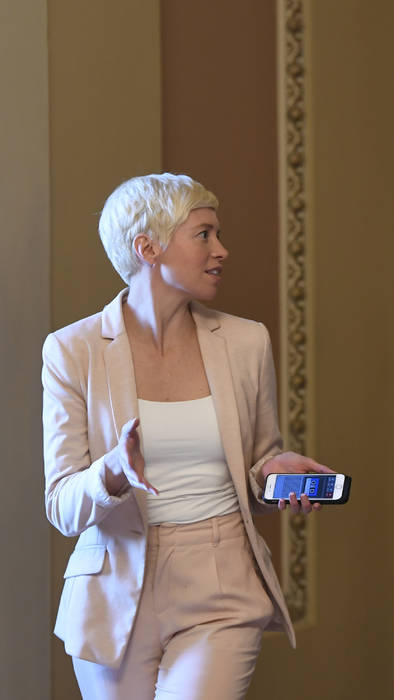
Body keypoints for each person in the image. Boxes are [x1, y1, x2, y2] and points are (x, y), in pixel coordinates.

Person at [43, 173, 332, 698]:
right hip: (113, 593)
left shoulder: (246, 342)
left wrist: (273, 475)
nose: (221, 250)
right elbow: (62, 506)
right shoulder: (72, 350)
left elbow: (255, 471)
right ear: (148, 247)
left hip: (221, 580)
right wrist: (111, 471)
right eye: (204, 235)